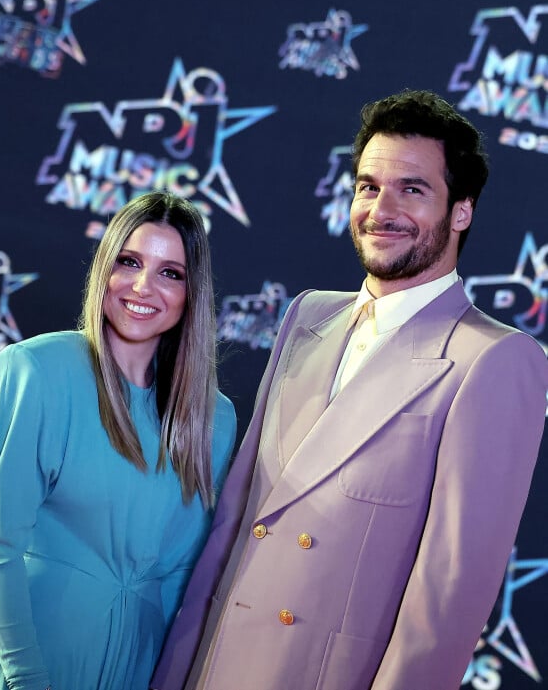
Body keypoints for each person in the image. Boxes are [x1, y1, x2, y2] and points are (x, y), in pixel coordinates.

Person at [151, 90, 548, 690]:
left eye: (412, 189)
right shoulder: (306, 317)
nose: (381, 209)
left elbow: (446, 603)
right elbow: (236, 519)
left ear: (461, 210)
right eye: (368, 186)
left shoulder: (492, 359)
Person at [0, 192, 236, 690]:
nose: (142, 286)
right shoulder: (36, 371)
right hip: (22, 664)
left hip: (133, 671)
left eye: (170, 273)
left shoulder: (212, 420)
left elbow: (181, 583)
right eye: (129, 262)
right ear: (104, 268)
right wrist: (29, 680)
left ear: (191, 293)